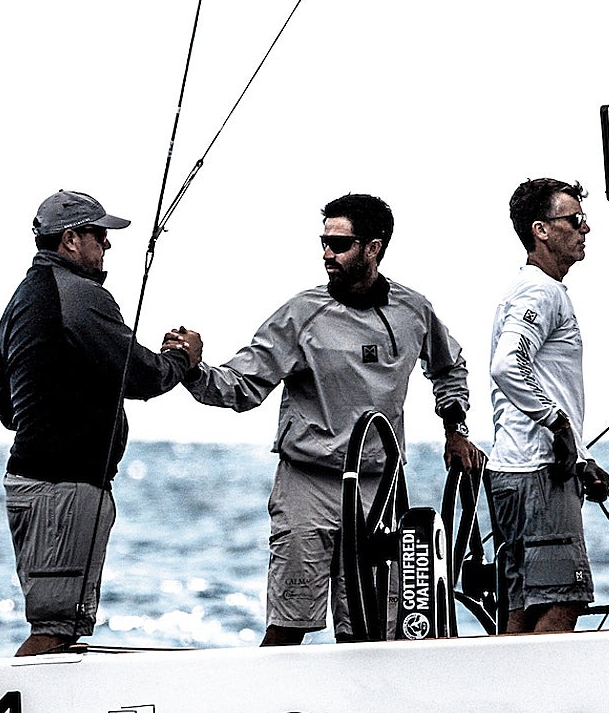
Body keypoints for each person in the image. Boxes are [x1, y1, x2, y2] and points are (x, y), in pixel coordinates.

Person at [176, 193, 482, 646]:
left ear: (373, 248)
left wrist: (455, 430)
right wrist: (192, 369)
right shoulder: (302, 314)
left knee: (377, 634)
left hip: (380, 489)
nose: (326, 255)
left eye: (339, 245)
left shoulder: (413, 310)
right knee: (289, 625)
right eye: (323, 243)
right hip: (309, 484)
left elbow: (448, 367)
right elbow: (243, 387)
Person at [0, 189, 202, 656]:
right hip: (64, 491)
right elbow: (141, 375)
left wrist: (47, 411)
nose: (107, 246)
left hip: (34, 485)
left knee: (61, 628)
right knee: (55, 630)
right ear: (72, 240)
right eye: (100, 236)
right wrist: (181, 358)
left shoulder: (23, 296)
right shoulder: (79, 296)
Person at [486, 178, 609, 634]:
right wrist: (558, 425)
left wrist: (580, 455)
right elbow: (506, 366)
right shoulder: (542, 292)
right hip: (537, 471)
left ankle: (511, 705)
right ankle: (543, 706)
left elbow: (533, 378)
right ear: (541, 229)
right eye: (574, 220)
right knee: (563, 601)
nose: (585, 228)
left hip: (518, 469)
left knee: (522, 607)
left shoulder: (531, 289)